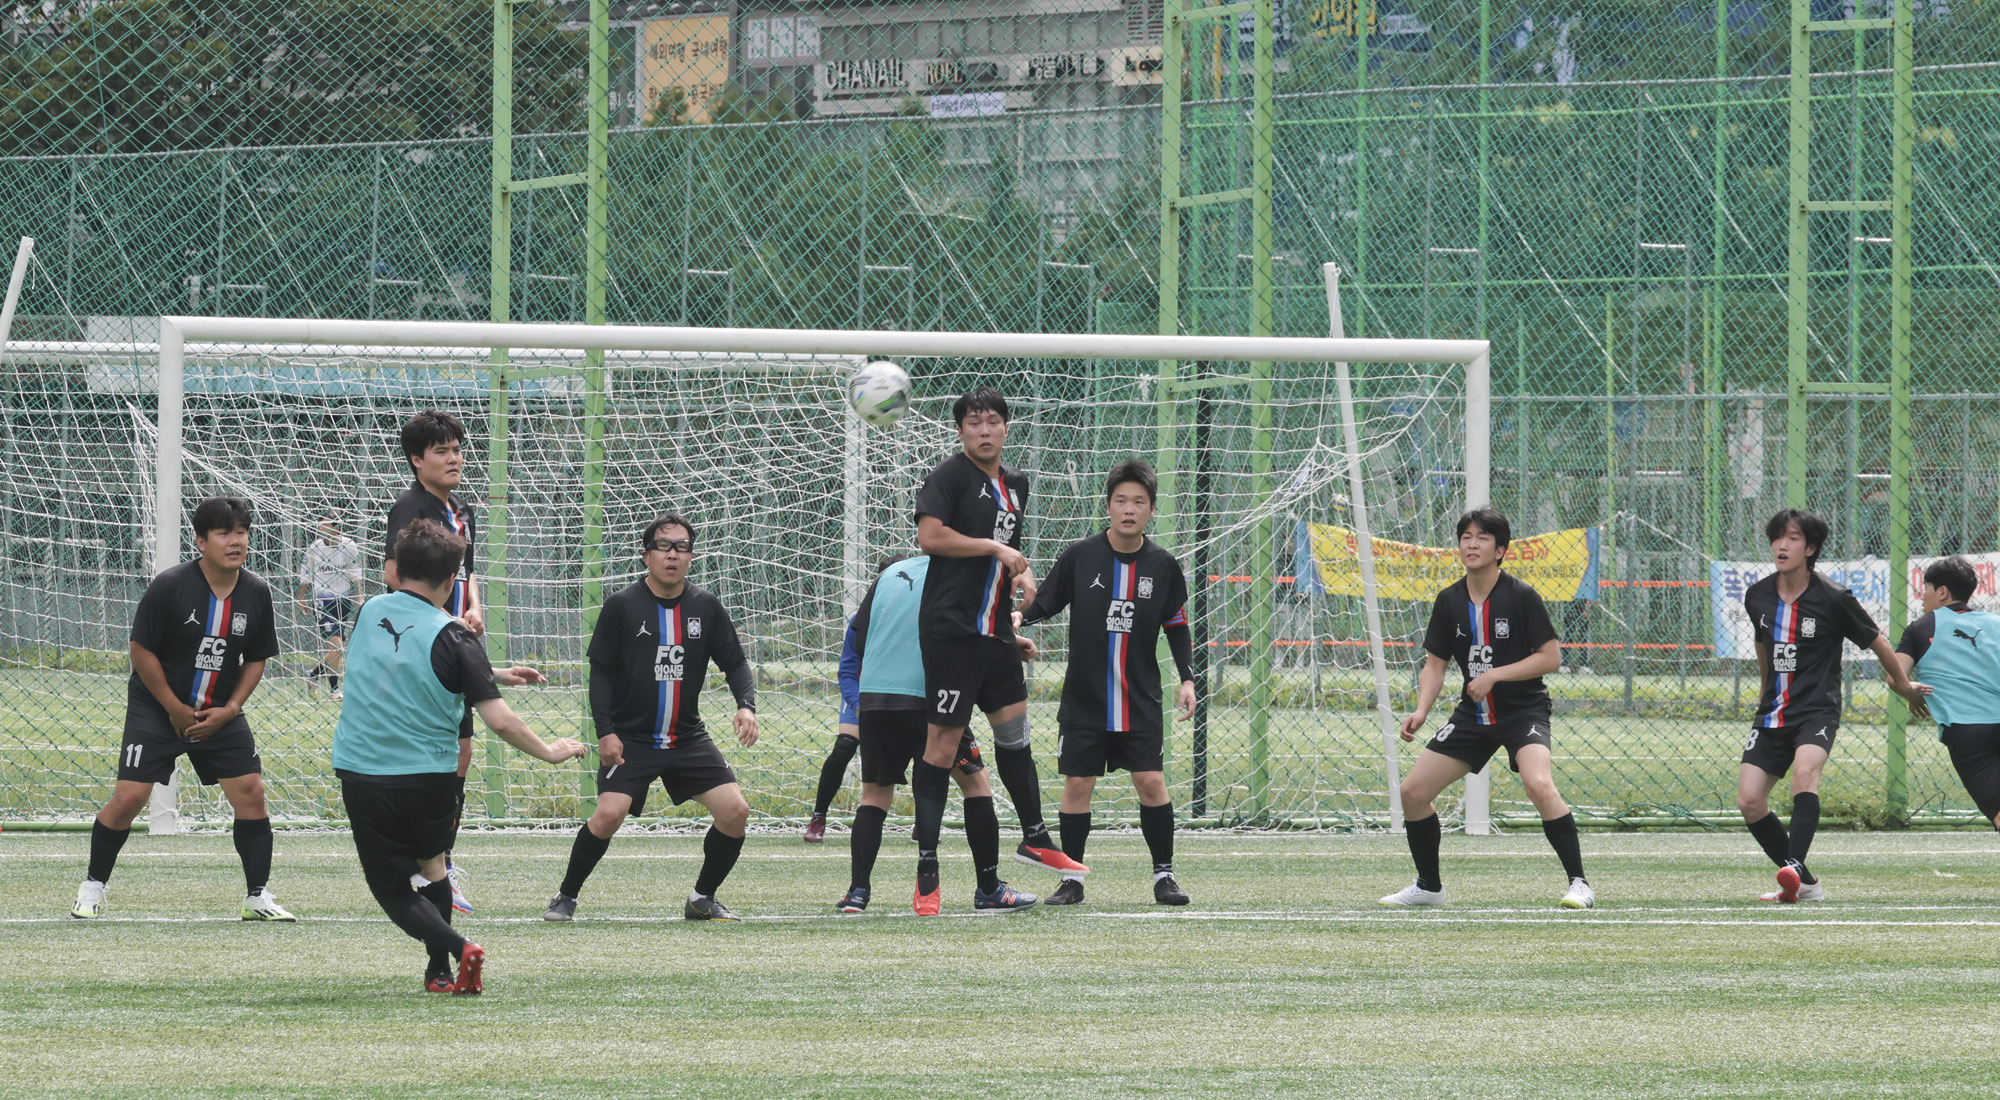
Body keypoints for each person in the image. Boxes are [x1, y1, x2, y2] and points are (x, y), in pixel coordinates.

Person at [333, 519, 583, 994]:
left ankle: (458, 946)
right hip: (430, 779)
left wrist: (492, 673)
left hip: (365, 773)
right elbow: (499, 719)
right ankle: (438, 972)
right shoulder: (455, 635)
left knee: (390, 889)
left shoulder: (367, 612)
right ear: (451, 583)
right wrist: (550, 751)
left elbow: (402, 651)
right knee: (432, 868)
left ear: (395, 571)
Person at [71, 497, 290, 921]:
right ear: (201, 541)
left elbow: (257, 658)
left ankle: (257, 897)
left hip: (220, 713)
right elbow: (140, 650)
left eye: (241, 532)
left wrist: (231, 708)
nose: (235, 541)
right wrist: (172, 707)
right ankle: (93, 886)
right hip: (157, 709)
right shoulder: (171, 585)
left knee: (252, 794)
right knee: (130, 797)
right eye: (224, 533)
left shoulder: (257, 591)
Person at [910, 387, 1085, 914]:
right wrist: (996, 548)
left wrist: (1023, 572)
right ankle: (927, 867)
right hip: (951, 633)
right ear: (961, 431)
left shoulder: (1017, 485)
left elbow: (1005, 557)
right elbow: (931, 538)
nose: (983, 430)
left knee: (1016, 737)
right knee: (942, 750)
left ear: (1007, 428)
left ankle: (1034, 836)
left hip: (996, 635)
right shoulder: (948, 477)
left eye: (992, 422)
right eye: (973, 423)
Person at [543, 514, 760, 923]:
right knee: (608, 815)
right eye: (664, 546)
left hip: (687, 738)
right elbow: (601, 675)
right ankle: (565, 896)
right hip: (631, 739)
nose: (673, 554)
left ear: (692, 557)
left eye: (682, 546)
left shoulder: (706, 607)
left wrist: (745, 704)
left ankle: (702, 899)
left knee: (736, 812)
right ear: (646, 555)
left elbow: (735, 664)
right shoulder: (622, 606)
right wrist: (605, 732)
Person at [1380, 506, 1594, 910]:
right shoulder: (1449, 601)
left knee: (1538, 783)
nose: (1472, 544)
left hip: (1523, 712)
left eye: (1482, 538)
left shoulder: (1522, 596)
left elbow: (1550, 658)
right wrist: (1423, 709)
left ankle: (1580, 884)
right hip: (1472, 717)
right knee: (1412, 792)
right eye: (1466, 537)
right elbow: (1435, 664)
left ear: (1500, 550)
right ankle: (1429, 887)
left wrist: (1496, 675)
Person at [1015, 460, 1196, 907]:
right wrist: (1017, 616)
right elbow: (1047, 603)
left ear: (1152, 509)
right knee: (1078, 785)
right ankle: (1072, 881)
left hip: (1139, 699)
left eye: (1138, 502)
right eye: (1121, 501)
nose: (1129, 509)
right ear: (1108, 506)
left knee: (1151, 782)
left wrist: (1187, 679)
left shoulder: (1164, 566)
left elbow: (1177, 626)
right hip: (1086, 700)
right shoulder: (1081, 555)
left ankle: (1164, 875)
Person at [1737, 508, 1926, 902]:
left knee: (1804, 775)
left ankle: (1791, 866)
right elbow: (1761, 643)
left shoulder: (1834, 597)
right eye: (1777, 537)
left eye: (1791, 538)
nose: (1781, 545)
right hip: (1773, 712)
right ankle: (1804, 882)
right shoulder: (1757, 595)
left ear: (1810, 548)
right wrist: (1763, 689)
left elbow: (1878, 641)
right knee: (1750, 801)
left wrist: (1904, 686)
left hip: (1817, 710)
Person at [838, 554, 1038, 913]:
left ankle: (857, 892)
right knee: (976, 784)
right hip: (930, 694)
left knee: (874, 795)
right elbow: (971, 636)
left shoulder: (888, 575)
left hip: (875, 696)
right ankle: (989, 889)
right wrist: (1007, 647)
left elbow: (861, 638)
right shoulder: (966, 573)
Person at [383, 409, 481, 915]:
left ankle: (438, 861)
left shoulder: (462, 510)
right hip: (424, 646)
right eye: (441, 451)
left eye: (457, 448)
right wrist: (442, 619)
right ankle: (424, 863)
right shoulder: (411, 509)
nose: (454, 458)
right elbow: (394, 575)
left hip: (452, 638)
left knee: (459, 752)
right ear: (417, 460)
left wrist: (473, 608)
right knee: (436, 753)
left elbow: (466, 571)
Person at [1892, 556, 2000, 828]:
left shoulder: (1922, 627)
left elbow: (1896, 677)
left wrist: (1911, 694)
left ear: (1942, 592)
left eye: (1925, 588)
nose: (1921, 597)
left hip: (1967, 729)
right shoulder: (1996, 623)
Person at [802, 612, 863, 844]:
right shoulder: (861, 620)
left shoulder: (914, 615)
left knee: (920, 747)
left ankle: (924, 823)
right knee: (844, 748)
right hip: (861, 690)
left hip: (896, 691)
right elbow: (847, 669)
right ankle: (819, 817)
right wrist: (858, 705)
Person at [300, 515, 364, 700]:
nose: (321, 530)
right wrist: (302, 599)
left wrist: (360, 596)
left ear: (337, 528)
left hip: (343, 600)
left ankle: (333, 690)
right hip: (322, 601)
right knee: (337, 647)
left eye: (325, 526)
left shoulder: (349, 545)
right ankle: (314, 675)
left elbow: (355, 573)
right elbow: (305, 574)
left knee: (337, 649)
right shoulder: (315, 548)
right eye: (320, 526)